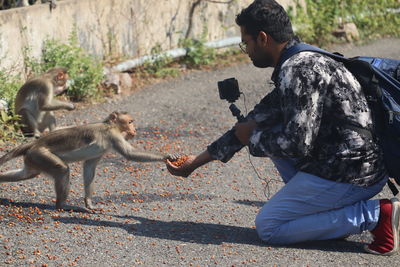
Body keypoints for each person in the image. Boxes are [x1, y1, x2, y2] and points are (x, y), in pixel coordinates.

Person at [166, 0, 399, 256]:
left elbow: (297, 142)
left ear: (262, 38)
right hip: (355, 166)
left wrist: (253, 138)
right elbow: (256, 120)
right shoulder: (305, 58)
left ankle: (376, 215)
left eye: (246, 43)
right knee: (269, 126)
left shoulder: (298, 70)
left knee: (270, 226)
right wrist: (195, 163)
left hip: (352, 173)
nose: (247, 50)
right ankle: (331, 220)